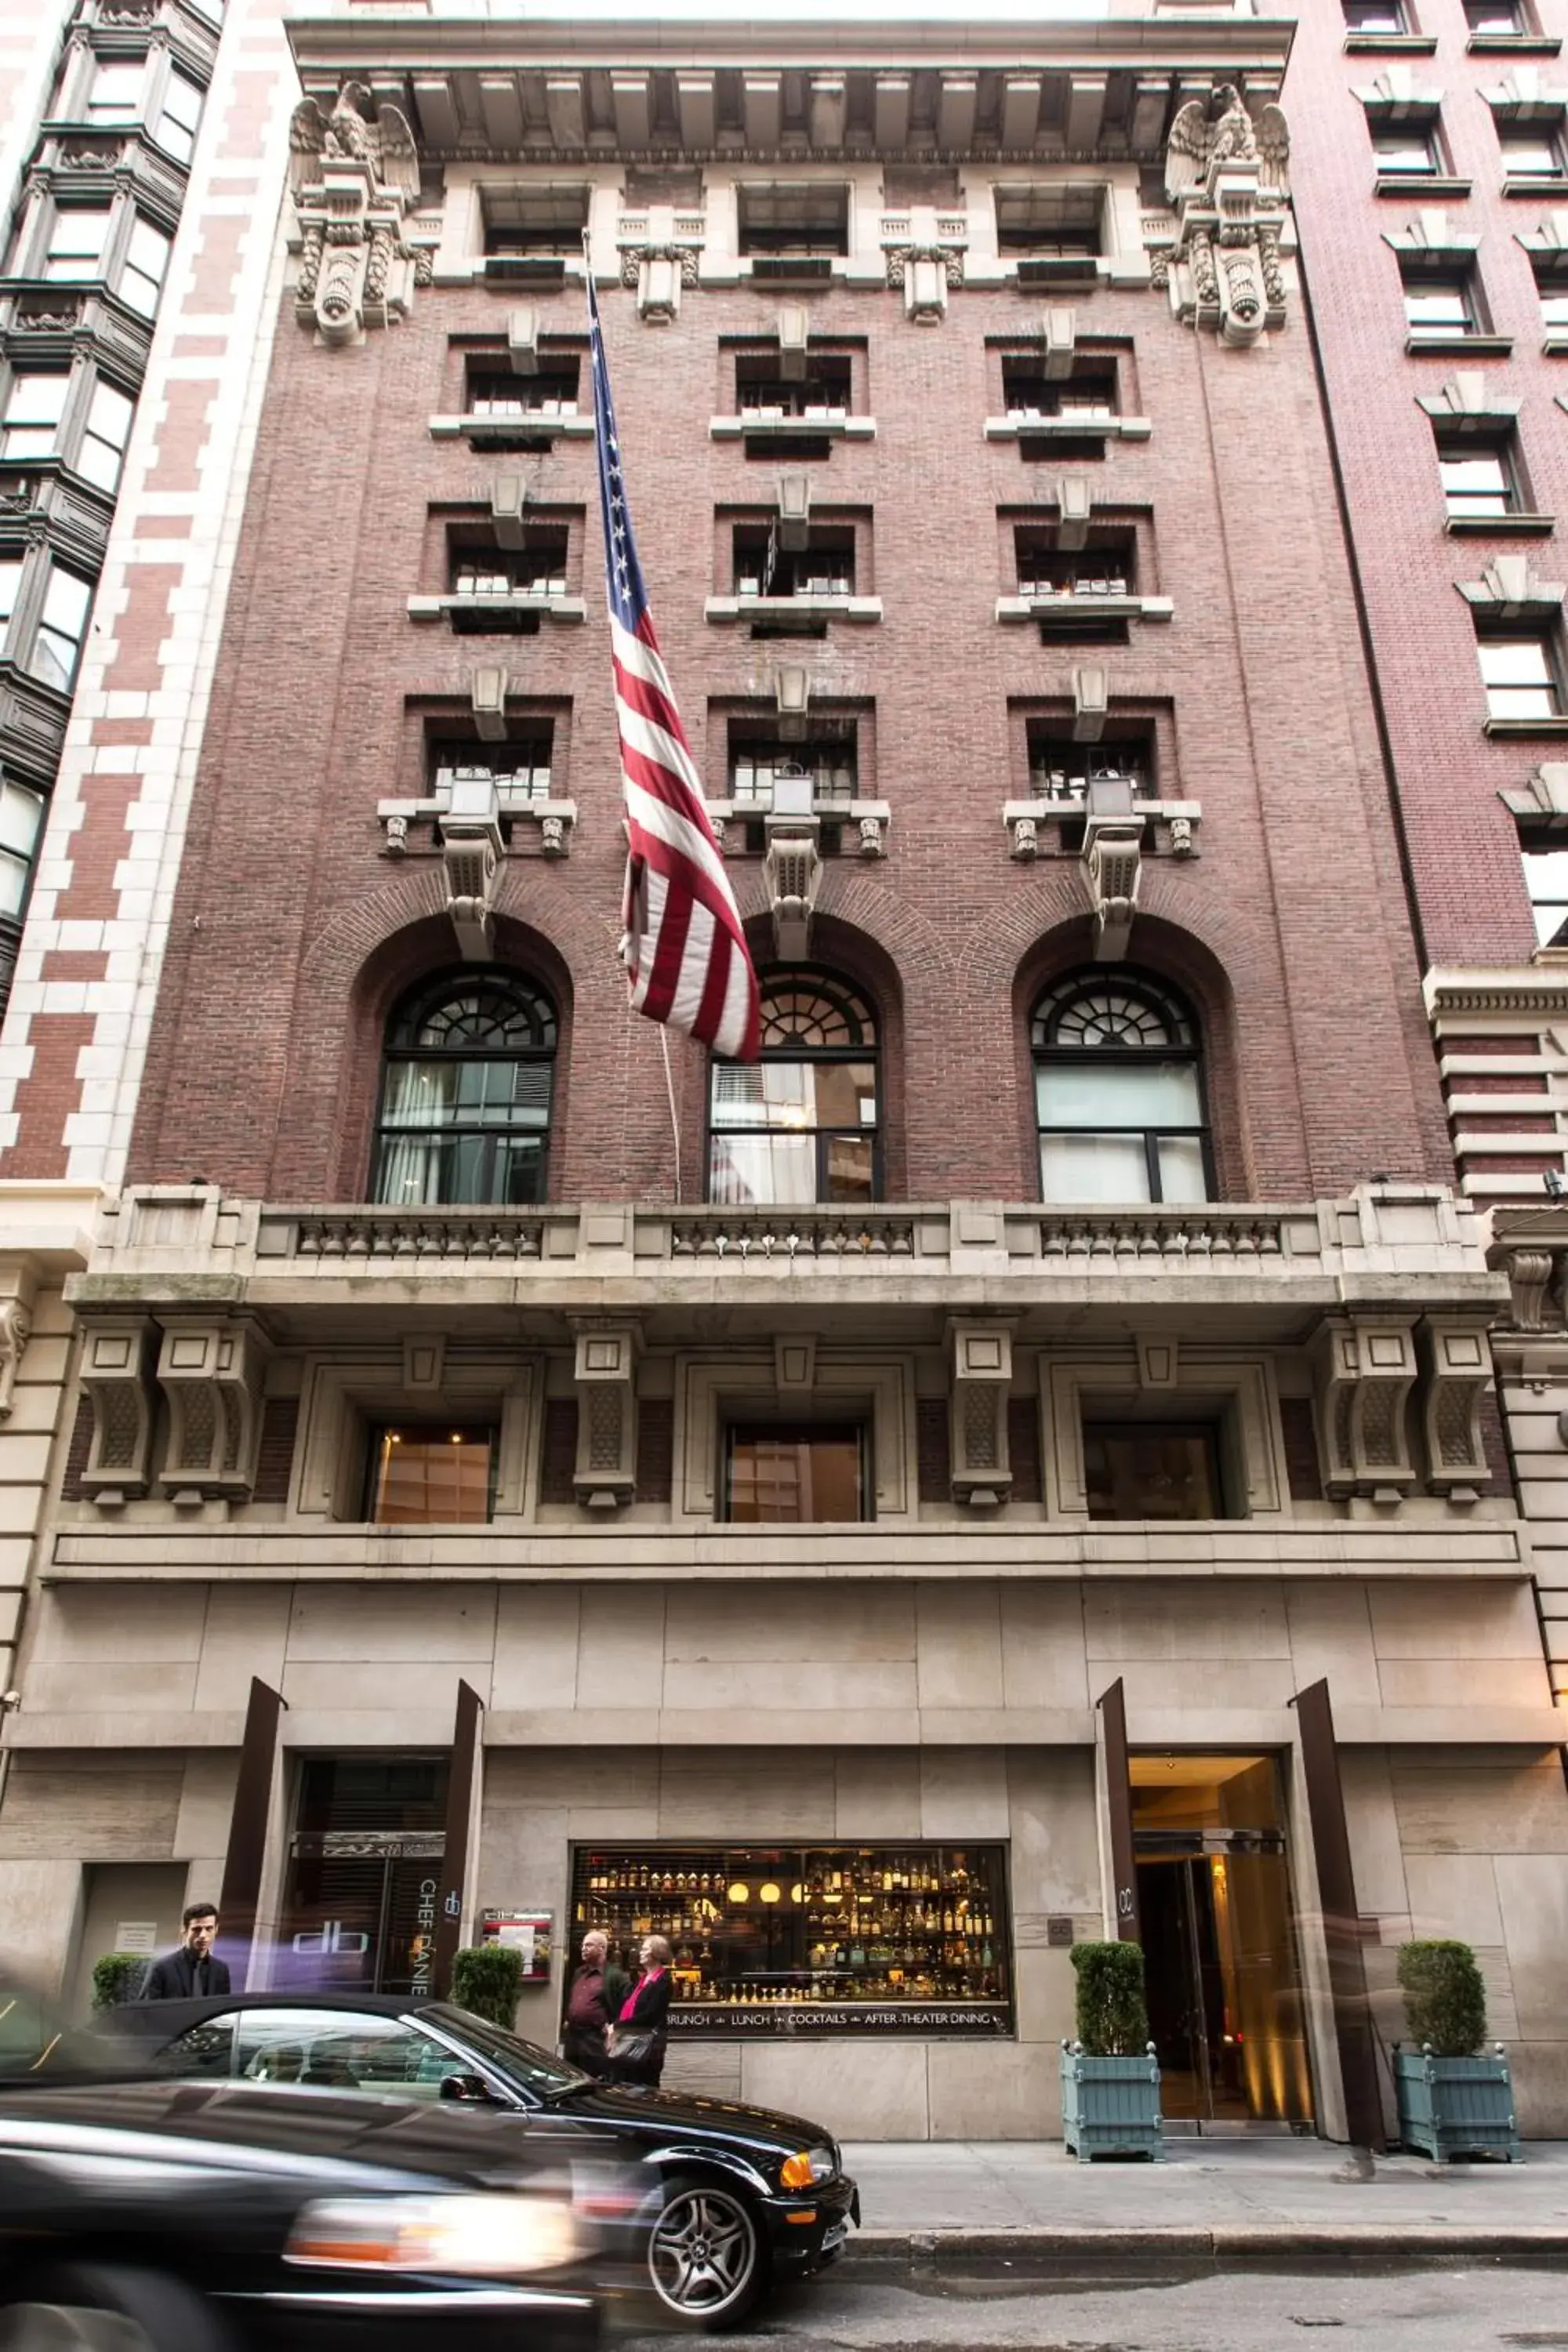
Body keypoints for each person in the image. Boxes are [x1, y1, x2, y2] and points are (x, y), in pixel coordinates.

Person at [607, 1933, 672, 2088]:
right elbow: (628, 2006)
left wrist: (618, 2026)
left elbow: (650, 2016)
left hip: (647, 2047)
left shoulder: (663, 1982)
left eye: (645, 1949)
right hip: (631, 2042)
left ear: (656, 1953)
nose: (640, 1953)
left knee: (644, 2086)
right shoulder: (642, 1981)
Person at [141, 1901, 231, 2001]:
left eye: (209, 1929)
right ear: (185, 1930)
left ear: (216, 1929)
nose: (203, 1935)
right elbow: (146, 2010)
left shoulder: (221, 1970)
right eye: (197, 1929)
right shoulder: (161, 1968)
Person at [562, 1929, 615, 2076]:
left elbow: (624, 2005)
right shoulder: (578, 1972)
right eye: (583, 1945)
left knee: (593, 2077)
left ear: (602, 1949)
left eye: (589, 1945)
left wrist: (613, 2026)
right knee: (571, 2075)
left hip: (594, 2038)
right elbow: (572, 1997)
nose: (583, 1948)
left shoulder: (613, 1976)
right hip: (573, 2037)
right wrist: (567, 2017)